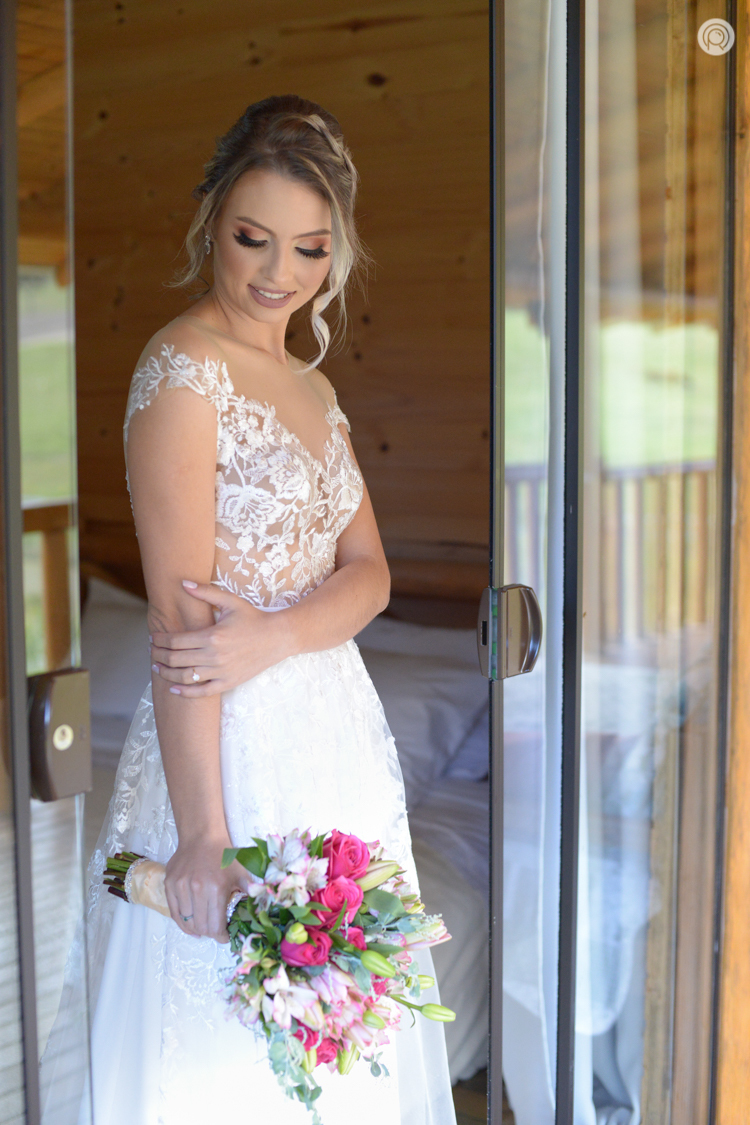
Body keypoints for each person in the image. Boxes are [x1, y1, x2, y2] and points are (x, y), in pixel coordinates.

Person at [40, 95, 456, 1125]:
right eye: (252, 238)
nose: (279, 273)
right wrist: (203, 834)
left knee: (340, 1047)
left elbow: (371, 573)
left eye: (310, 248)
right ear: (211, 221)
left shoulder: (313, 387)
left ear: (337, 249)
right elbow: (183, 636)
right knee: (228, 1050)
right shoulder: (182, 373)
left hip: (336, 747)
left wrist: (274, 633)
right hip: (226, 754)